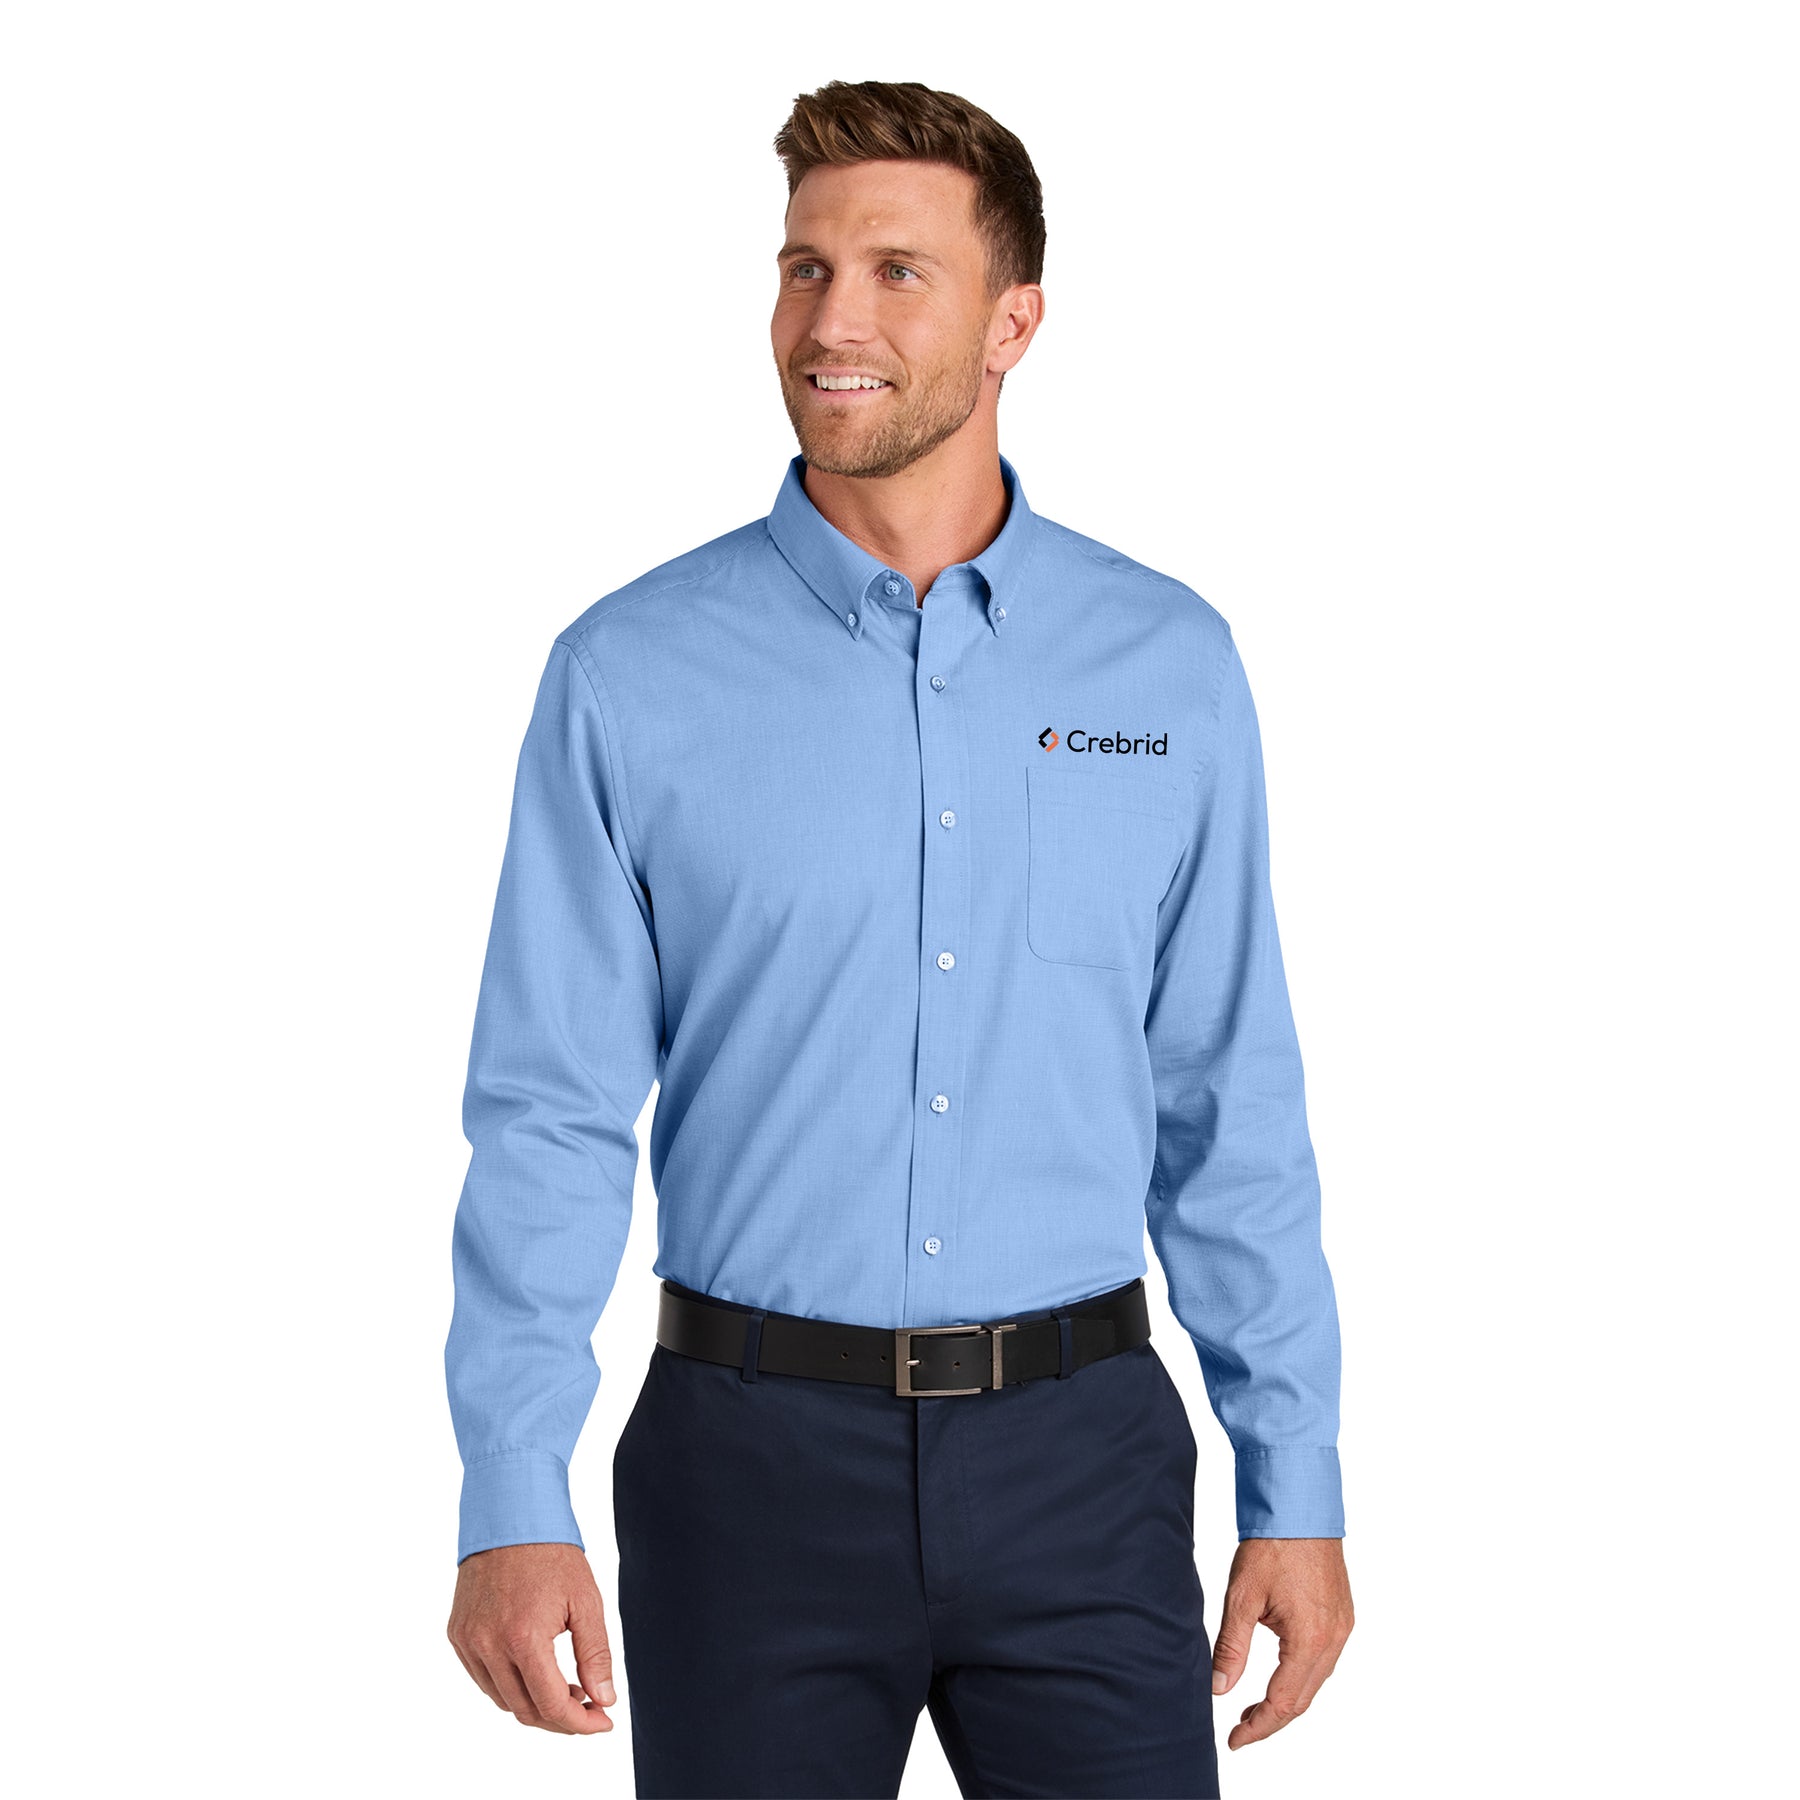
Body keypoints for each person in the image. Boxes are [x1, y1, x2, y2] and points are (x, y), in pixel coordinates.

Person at [444, 77, 1352, 1799]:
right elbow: (550, 1114)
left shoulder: (1170, 667)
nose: (829, 322)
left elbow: (1229, 1100)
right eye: (803, 268)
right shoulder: (627, 676)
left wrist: (1293, 1482)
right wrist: (511, 1491)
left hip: (1084, 1461)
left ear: (1016, 322)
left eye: (894, 273)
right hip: (745, 1468)